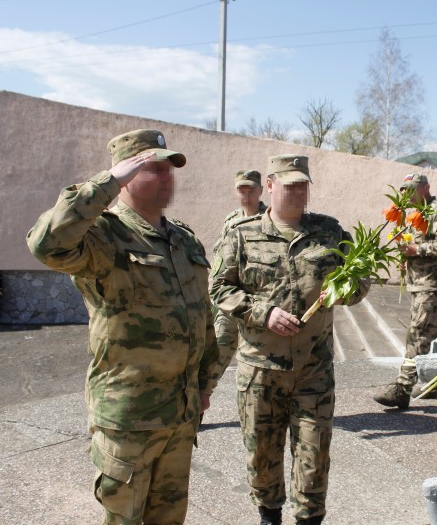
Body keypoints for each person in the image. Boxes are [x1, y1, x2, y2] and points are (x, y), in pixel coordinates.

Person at [26, 129, 225, 524]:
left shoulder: (183, 240)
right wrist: (106, 183)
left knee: (169, 518)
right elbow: (46, 244)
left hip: (180, 415)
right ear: (126, 176)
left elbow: (201, 317)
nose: (166, 176)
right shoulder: (103, 236)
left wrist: (204, 384)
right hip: (129, 419)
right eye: (152, 168)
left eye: (169, 167)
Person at [209, 154, 370, 525]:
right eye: (289, 184)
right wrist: (263, 312)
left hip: (313, 372)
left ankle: (309, 518)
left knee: (314, 460)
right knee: (262, 459)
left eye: (303, 185)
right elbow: (218, 287)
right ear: (270, 185)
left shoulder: (329, 233)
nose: (298, 192)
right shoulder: (242, 235)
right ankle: (269, 516)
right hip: (260, 373)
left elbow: (360, 277)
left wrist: (346, 291)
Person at [373, 173, 437, 410]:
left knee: (418, 333)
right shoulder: (414, 214)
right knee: (429, 334)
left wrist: (416, 250)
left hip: (432, 283)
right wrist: (407, 258)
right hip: (420, 282)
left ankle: (402, 388)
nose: (406, 194)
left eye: (412, 189)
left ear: (425, 188)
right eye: (404, 190)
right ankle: (436, 384)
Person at [212, 169, 268, 370]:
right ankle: (203, 396)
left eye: (251, 190)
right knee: (218, 350)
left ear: (261, 190)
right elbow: (220, 255)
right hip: (231, 298)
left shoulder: (269, 220)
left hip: (256, 302)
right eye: (241, 190)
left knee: (255, 361)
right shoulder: (231, 220)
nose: (246, 196)